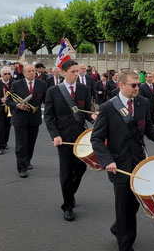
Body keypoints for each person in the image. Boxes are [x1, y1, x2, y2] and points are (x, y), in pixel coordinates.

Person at [91, 70, 154, 251]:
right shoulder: (107, 108)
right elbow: (96, 138)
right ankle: (125, 244)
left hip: (139, 161)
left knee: (135, 203)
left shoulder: (142, 102)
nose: (138, 88)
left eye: (138, 85)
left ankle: (118, 228)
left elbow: (148, 127)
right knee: (123, 206)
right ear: (121, 85)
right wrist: (107, 161)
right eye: (133, 85)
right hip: (118, 165)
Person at [44, 60, 95, 221]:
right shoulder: (53, 91)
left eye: (77, 71)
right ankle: (67, 206)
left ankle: (69, 193)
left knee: (81, 169)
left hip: (81, 137)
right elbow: (49, 116)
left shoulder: (83, 89)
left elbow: (86, 112)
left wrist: (93, 117)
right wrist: (55, 135)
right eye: (73, 71)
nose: (77, 74)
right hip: (63, 138)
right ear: (64, 72)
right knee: (66, 172)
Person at [6, 63, 47, 178]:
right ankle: (21, 168)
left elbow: (46, 100)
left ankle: (27, 161)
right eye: (29, 71)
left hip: (35, 118)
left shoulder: (42, 84)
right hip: (20, 119)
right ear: (24, 73)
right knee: (21, 144)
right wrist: (17, 105)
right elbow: (9, 100)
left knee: (31, 142)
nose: (31, 73)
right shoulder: (16, 84)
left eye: (33, 71)